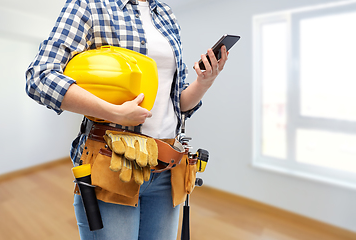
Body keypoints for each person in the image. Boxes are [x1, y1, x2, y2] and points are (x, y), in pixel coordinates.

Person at [25, 0, 228, 239]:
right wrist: (114, 113)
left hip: (166, 166)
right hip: (113, 165)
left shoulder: (165, 14)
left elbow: (178, 103)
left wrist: (205, 82)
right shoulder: (90, 5)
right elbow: (40, 77)